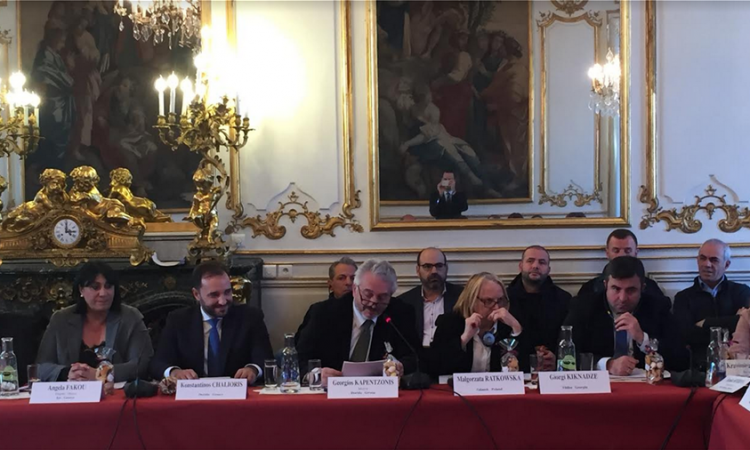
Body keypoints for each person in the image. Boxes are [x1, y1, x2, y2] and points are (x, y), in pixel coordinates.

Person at [296, 259, 419, 386]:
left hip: (378, 391)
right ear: (354, 289)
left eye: (382, 297)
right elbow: (299, 359)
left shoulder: (400, 313)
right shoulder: (323, 313)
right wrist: (314, 376)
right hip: (330, 391)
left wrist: (401, 367)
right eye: (368, 294)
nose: (373, 302)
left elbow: (413, 357)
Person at [149, 261, 273, 383]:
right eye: (214, 295)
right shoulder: (178, 320)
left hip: (237, 392)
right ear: (196, 294)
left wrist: (253, 369)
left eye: (227, 292)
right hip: (194, 392)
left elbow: (266, 358)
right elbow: (158, 363)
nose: (223, 301)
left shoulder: (250, 317)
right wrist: (174, 372)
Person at [36, 261, 153, 382]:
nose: (103, 293)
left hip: (114, 392)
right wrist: (68, 373)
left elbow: (141, 365)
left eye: (108, 286)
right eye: (95, 287)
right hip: (71, 391)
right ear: (81, 289)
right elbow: (40, 368)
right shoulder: (61, 319)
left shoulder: (131, 317)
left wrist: (101, 374)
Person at [564, 256, 671, 376]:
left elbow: (679, 359)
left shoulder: (658, 307)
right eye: (616, 289)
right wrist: (607, 364)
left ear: (642, 288)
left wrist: (643, 339)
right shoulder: (583, 306)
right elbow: (565, 356)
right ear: (605, 285)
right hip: (598, 381)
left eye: (631, 290)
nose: (623, 298)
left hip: (645, 382)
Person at [673, 239, 750, 368]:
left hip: (737, 366)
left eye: (714, 260)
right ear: (697, 261)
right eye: (702, 258)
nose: (707, 264)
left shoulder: (742, 292)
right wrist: (731, 323)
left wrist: (706, 323)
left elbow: (746, 325)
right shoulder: (683, 298)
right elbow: (687, 335)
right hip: (699, 368)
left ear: (726, 264)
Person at [431, 272, 523, 375]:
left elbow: (525, 366)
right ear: (472, 300)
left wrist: (516, 328)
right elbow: (437, 367)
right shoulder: (449, 323)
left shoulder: (508, 324)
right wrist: (464, 338)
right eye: (489, 301)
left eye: (500, 300)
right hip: (461, 385)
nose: (497, 307)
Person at [507, 246, 571, 371]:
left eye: (542, 262)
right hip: (515, 370)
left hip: (552, 370)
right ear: (521, 266)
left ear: (548, 269)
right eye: (530, 261)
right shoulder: (505, 299)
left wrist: (558, 359)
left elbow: (568, 337)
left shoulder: (564, 299)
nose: (535, 266)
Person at [398, 248, 462, 348]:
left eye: (439, 266)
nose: (434, 271)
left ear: (446, 268)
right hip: (417, 355)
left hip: (451, 354)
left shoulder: (462, 297)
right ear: (418, 270)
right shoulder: (404, 302)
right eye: (427, 266)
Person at [577, 229, 666, 300]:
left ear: (636, 252)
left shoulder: (651, 287)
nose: (621, 255)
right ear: (607, 253)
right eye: (616, 250)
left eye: (628, 251)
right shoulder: (590, 288)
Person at [294, 257, 358, 345]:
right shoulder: (319, 311)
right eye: (341, 278)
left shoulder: (367, 311)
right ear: (330, 284)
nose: (349, 282)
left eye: (353, 278)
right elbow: (302, 344)